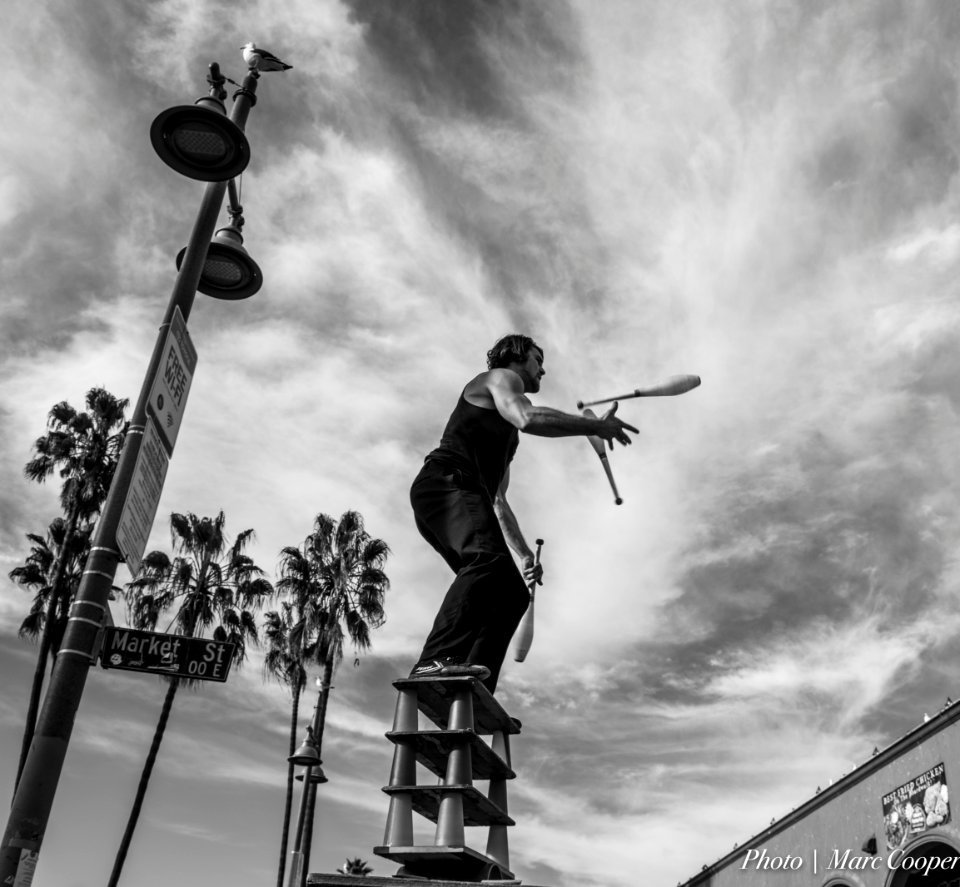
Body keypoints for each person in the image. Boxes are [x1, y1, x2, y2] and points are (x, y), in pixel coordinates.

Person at [409, 333, 638, 692]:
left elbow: (498, 502)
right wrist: (593, 426)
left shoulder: (506, 439)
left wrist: (525, 554)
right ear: (516, 356)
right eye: (537, 359)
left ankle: (470, 686)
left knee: (509, 590)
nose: (543, 369)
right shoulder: (501, 379)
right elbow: (528, 417)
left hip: (460, 494)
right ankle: (433, 662)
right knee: (485, 562)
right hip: (446, 483)